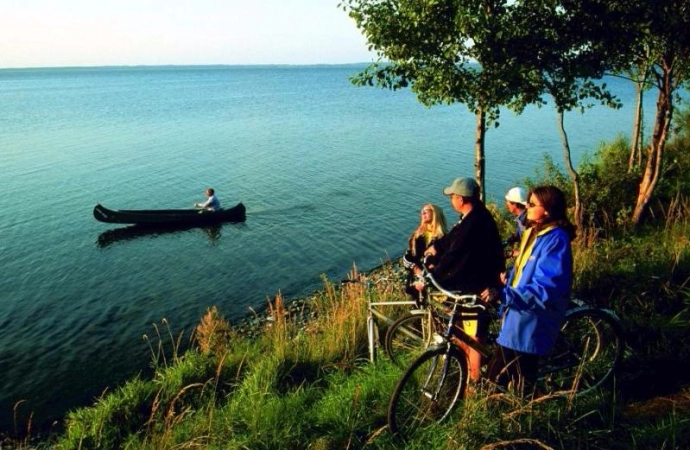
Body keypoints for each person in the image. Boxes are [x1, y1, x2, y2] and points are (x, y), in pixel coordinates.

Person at [484, 185, 576, 396]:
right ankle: (519, 413)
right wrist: (509, 278)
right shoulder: (535, 232)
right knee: (513, 377)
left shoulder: (556, 239)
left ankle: (524, 418)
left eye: (532, 204)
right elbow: (526, 268)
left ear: (548, 210)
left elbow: (546, 287)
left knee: (500, 381)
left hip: (530, 318)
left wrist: (506, 294)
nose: (528, 207)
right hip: (517, 314)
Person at [420, 177, 505, 381]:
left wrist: (433, 275)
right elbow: (452, 240)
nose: (451, 199)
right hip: (469, 284)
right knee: (461, 332)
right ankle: (467, 371)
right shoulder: (470, 216)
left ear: (461, 199)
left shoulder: (475, 222)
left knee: (475, 337)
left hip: (480, 287)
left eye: (452, 196)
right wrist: (437, 247)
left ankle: (474, 384)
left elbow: (455, 254)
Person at [402, 203, 448, 300]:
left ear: (435, 214)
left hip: (436, 282)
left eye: (425, 212)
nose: (422, 214)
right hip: (416, 282)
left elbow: (445, 261)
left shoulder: (444, 238)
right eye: (421, 212)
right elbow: (407, 257)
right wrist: (416, 270)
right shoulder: (417, 236)